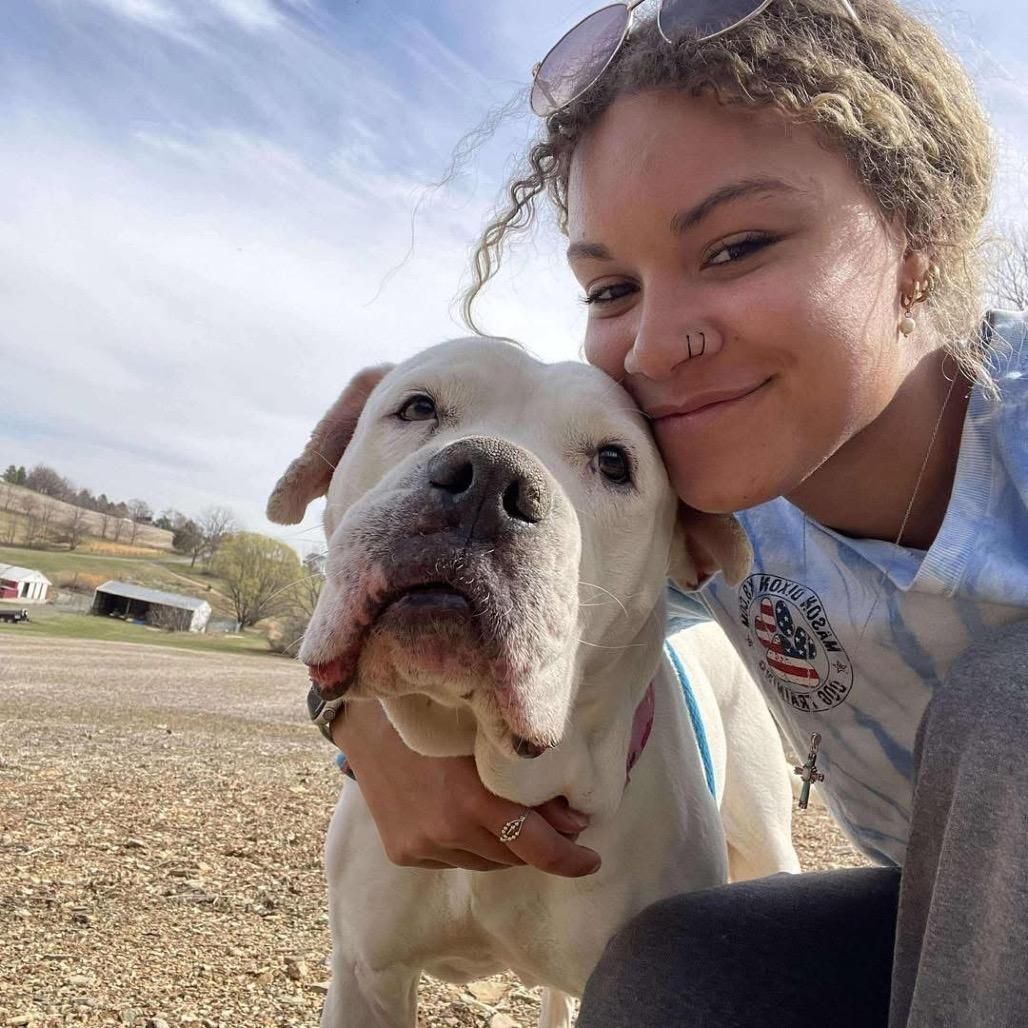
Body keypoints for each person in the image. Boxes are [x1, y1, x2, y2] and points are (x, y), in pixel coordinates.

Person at [330, 0, 1028, 1023]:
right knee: (681, 970)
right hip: (949, 916)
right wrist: (366, 732)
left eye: (735, 246)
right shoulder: (687, 499)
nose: (654, 346)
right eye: (610, 287)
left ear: (916, 242)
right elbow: (465, 587)